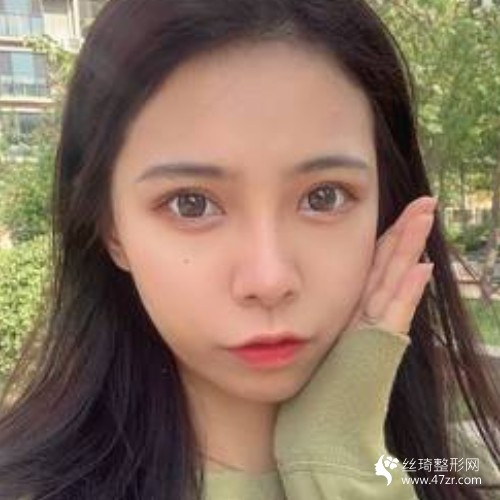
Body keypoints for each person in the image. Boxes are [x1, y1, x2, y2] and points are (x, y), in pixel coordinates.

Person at [0, 0, 498, 498]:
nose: (269, 280)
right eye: (191, 204)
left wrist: (340, 457)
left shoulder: (449, 472)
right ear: (112, 228)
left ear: (386, 208)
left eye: (324, 197)